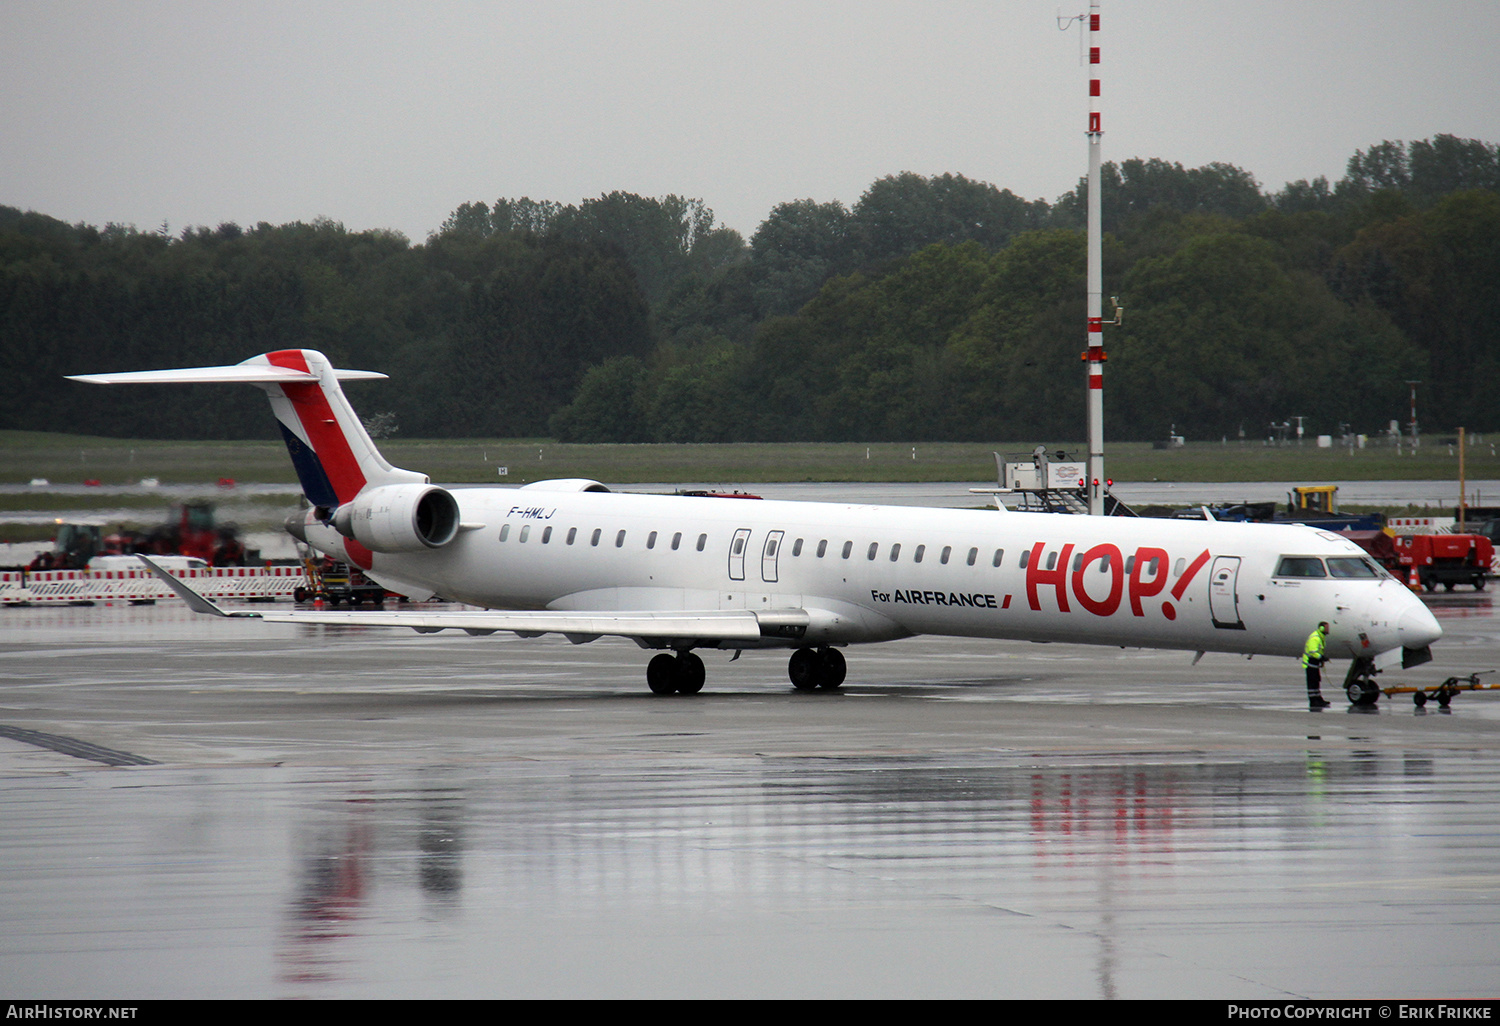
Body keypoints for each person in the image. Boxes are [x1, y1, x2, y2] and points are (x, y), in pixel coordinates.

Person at [1303, 621, 1330, 709]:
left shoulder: (1320, 637)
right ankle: (1313, 701)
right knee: (1312, 682)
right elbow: (1313, 652)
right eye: (1326, 628)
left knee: (1316, 681)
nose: (1328, 629)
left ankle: (1318, 699)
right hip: (1310, 663)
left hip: (1314, 664)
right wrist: (1321, 657)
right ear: (1321, 628)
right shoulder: (1315, 638)